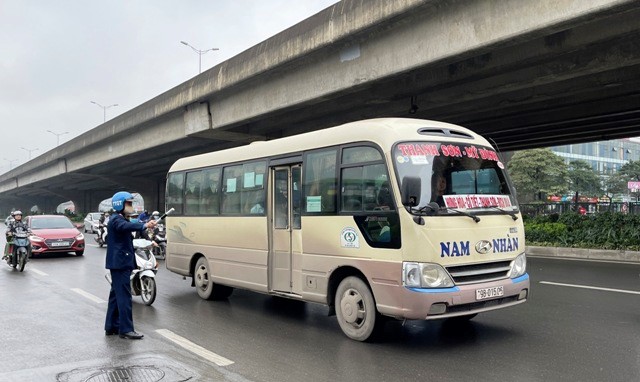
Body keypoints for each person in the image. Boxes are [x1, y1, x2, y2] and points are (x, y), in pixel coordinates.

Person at [104, 191, 157, 340]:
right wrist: (144, 224)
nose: (131, 206)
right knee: (124, 298)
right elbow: (125, 227)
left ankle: (111, 326)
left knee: (115, 296)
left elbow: (130, 224)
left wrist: (145, 225)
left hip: (119, 263)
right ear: (120, 204)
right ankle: (126, 329)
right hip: (120, 264)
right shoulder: (116, 220)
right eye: (129, 203)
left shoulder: (119, 218)